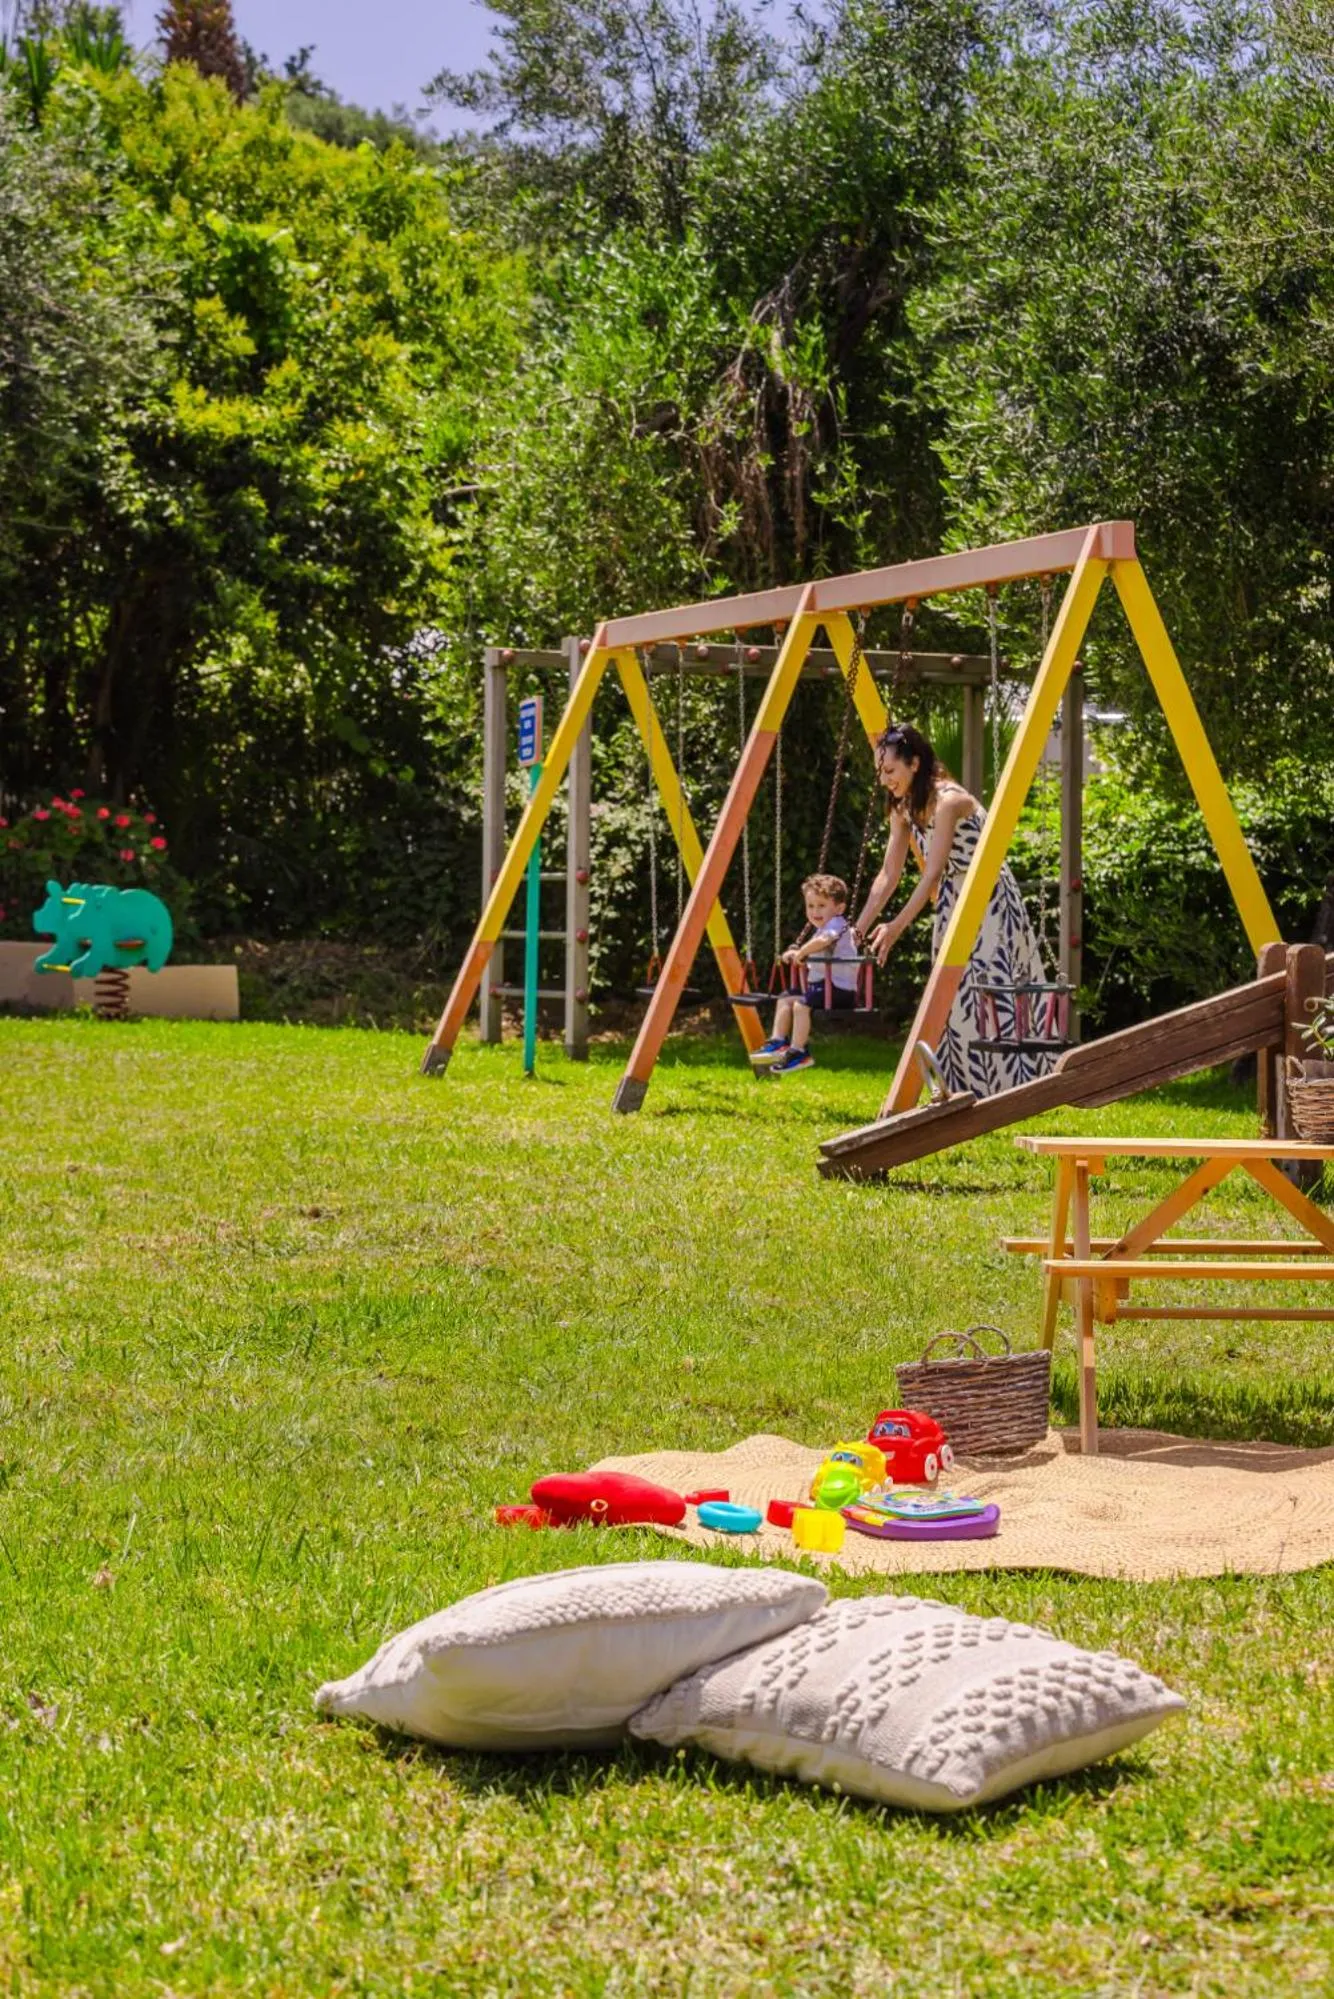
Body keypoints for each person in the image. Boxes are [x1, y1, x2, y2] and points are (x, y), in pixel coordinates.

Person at [852, 721, 1055, 1096]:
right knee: (953, 992)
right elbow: (888, 875)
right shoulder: (903, 807)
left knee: (992, 987)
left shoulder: (948, 802)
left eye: (890, 771)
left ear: (914, 764)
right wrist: (858, 929)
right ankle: (964, 1086)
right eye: (880, 773)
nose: (884, 780)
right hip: (952, 900)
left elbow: (930, 873)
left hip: (988, 896)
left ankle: (1016, 1086)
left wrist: (895, 927)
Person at [752, 872, 861, 1075]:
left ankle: (799, 1052)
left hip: (839, 990)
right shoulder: (822, 928)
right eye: (810, 906)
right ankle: (779, 1041)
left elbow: (823, 942)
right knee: (786, 998)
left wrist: (801, 952)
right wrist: (796, 953)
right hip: (823, 987)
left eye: (821, 905)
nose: (815, 911)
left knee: (801, 1005)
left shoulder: (837, 924)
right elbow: (816, 946)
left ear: (839, 908)